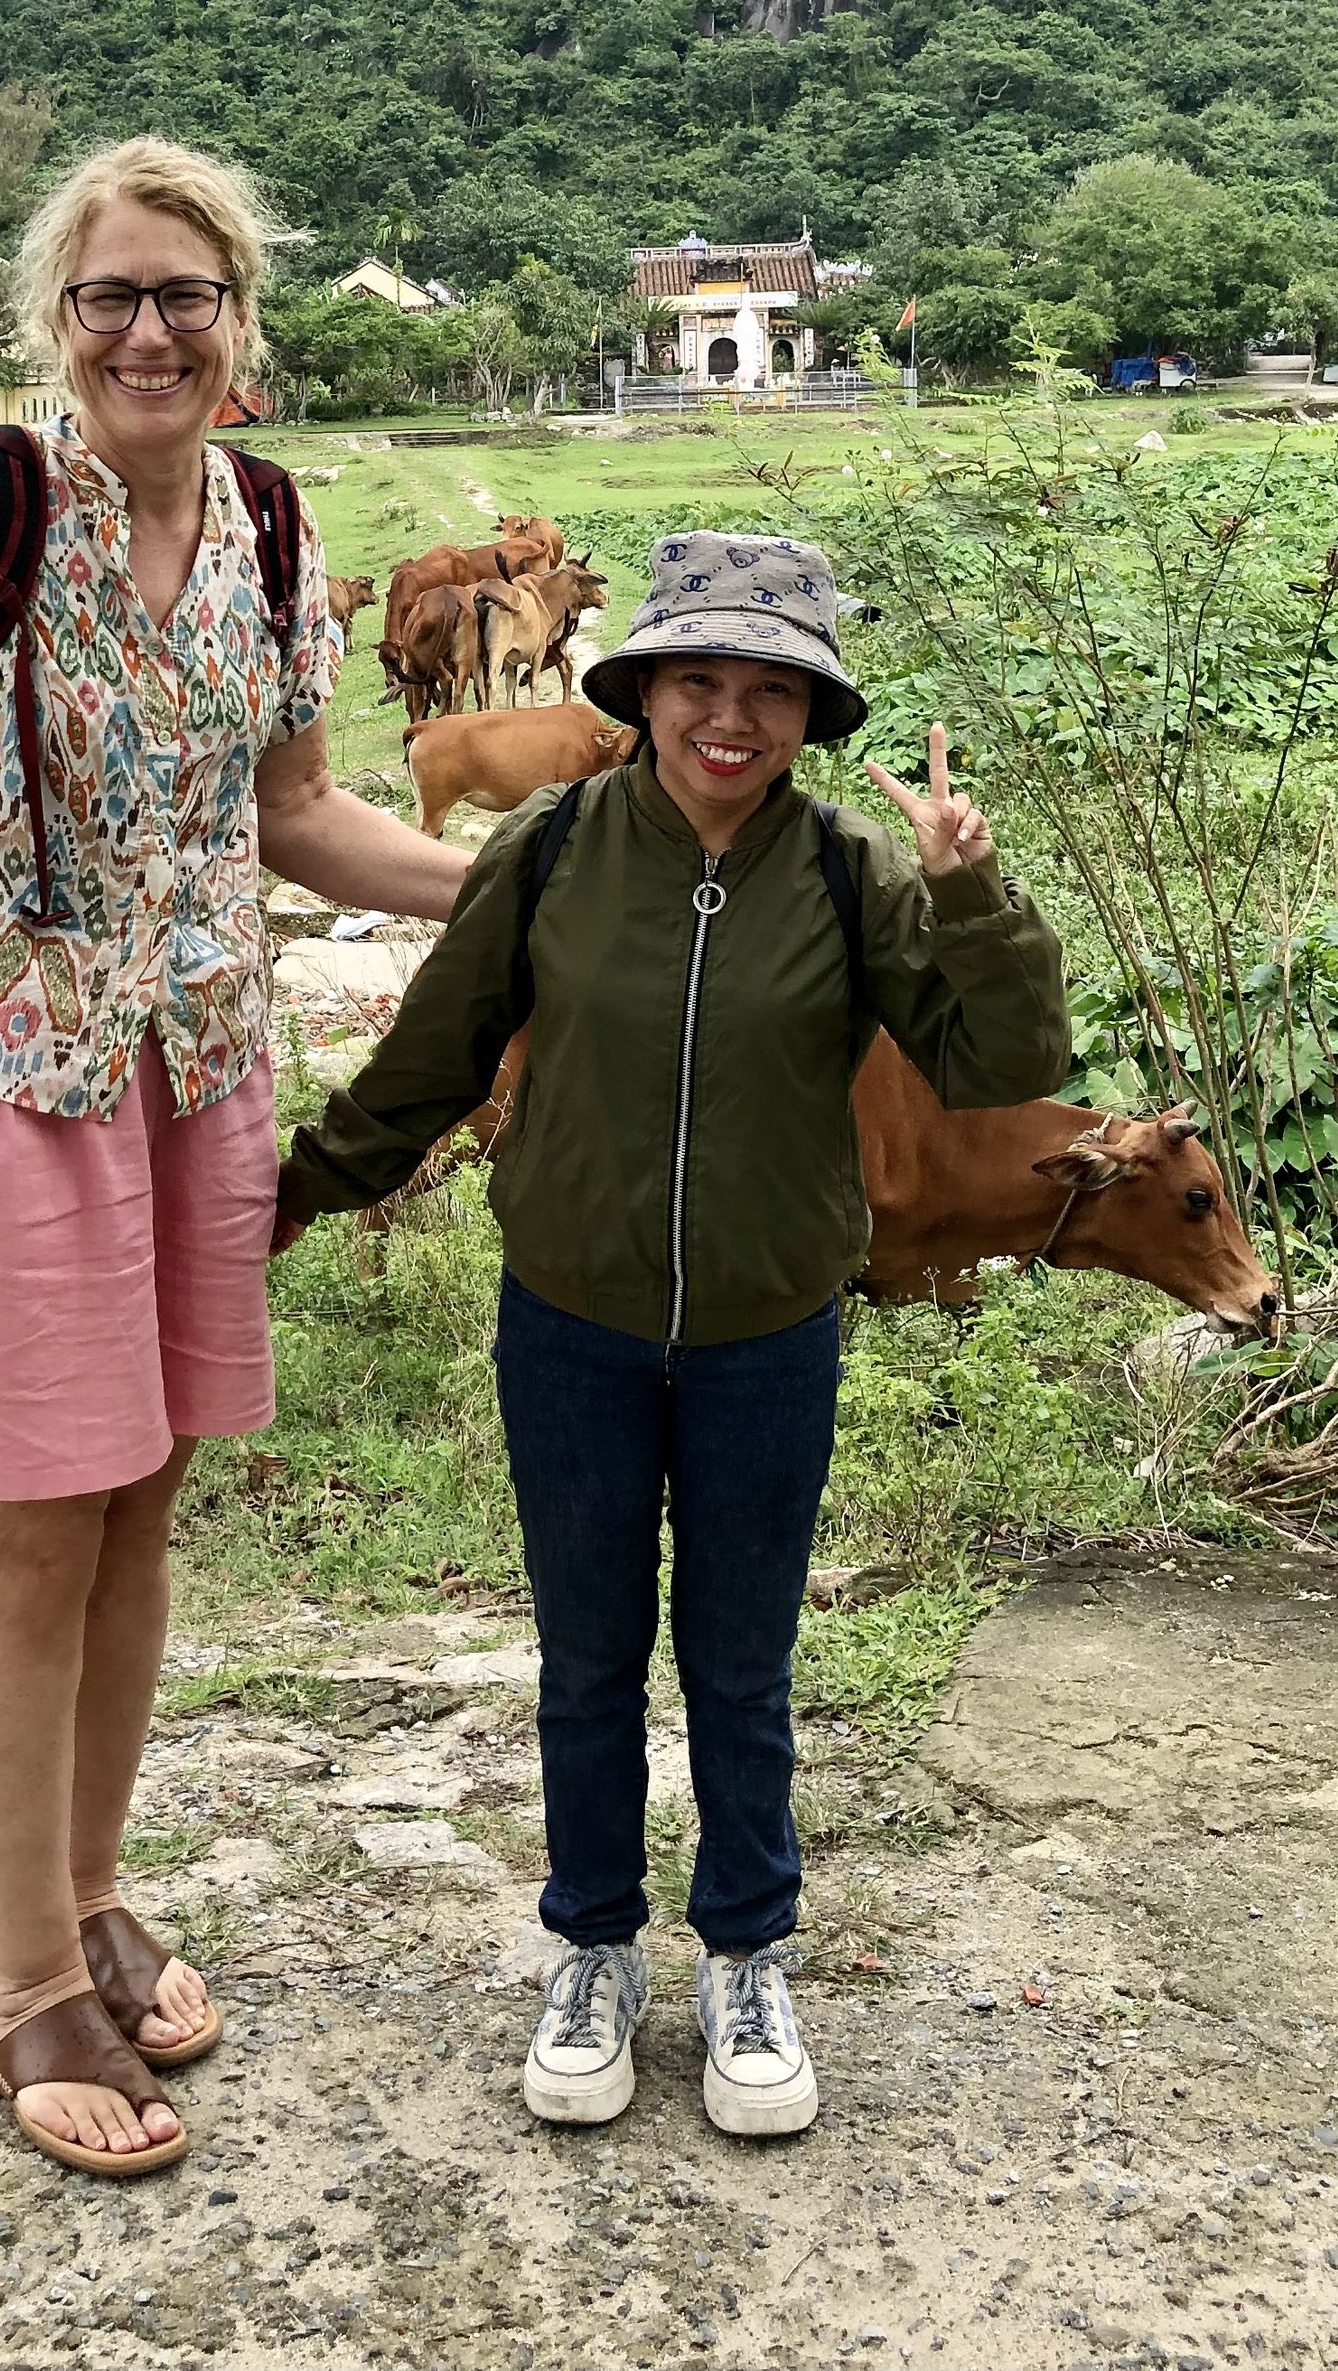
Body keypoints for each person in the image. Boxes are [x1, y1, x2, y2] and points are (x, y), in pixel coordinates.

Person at [0, 137, 468, 2178]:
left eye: (185, 294)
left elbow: (301, 814)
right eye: (110, 298)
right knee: (21, 1532)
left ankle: (81, 1896)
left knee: (136, 1507)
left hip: (190, 1088)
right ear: (56, 327)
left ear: (240, 321)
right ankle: (18, 1989)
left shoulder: (265, 522)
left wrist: (513, 897)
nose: (148, 329)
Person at [278, 532, 1069, 2139]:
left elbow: (1000, 1063)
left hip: (769, 1335)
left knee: (740, 1663)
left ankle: (746, 1957)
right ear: (639, 691)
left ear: (809, 716)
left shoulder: (854, 873)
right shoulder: (556, 850)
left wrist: (975, 893)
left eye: (772, 691)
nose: (732, 716)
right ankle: (590, 1950)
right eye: (700, 680)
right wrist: (293, 1194)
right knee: (585, 1658)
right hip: (569, 1322)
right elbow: (437, 1054)